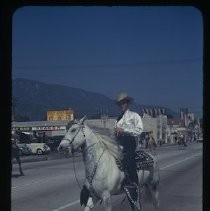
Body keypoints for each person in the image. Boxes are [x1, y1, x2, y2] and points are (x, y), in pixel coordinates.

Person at [114, 92, 143, 189]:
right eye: (120, 104)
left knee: (128, 159)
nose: (121, 105)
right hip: (119, 142)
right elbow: (115, 130)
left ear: (127, 103)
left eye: (123, 103)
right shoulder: (118, 119)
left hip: (130, 142)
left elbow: (139, 130)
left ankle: (134, 182)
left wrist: (124, 130)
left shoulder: (134, 116)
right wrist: (116, 132)